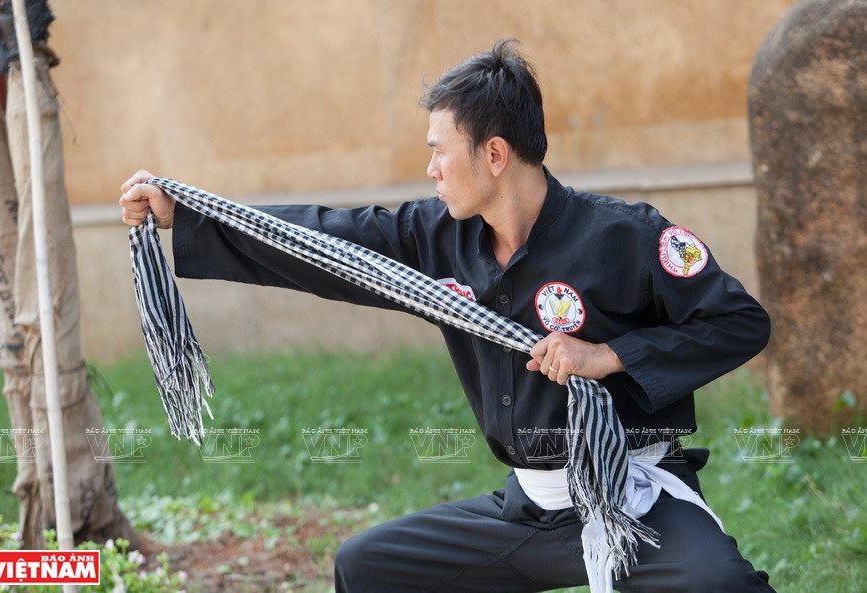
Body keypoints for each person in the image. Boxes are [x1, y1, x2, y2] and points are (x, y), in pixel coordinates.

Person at [120, 40, 775, 592]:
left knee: (720, 582)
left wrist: (607, 356)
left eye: (441, 150)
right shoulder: (435, 238)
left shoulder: (627, 237)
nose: (430, 168)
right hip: (530, 509)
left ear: (494, 155)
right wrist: (190, 216)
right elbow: (326, 243)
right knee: (367, 567)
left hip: (630, 496)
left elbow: (738, 321)